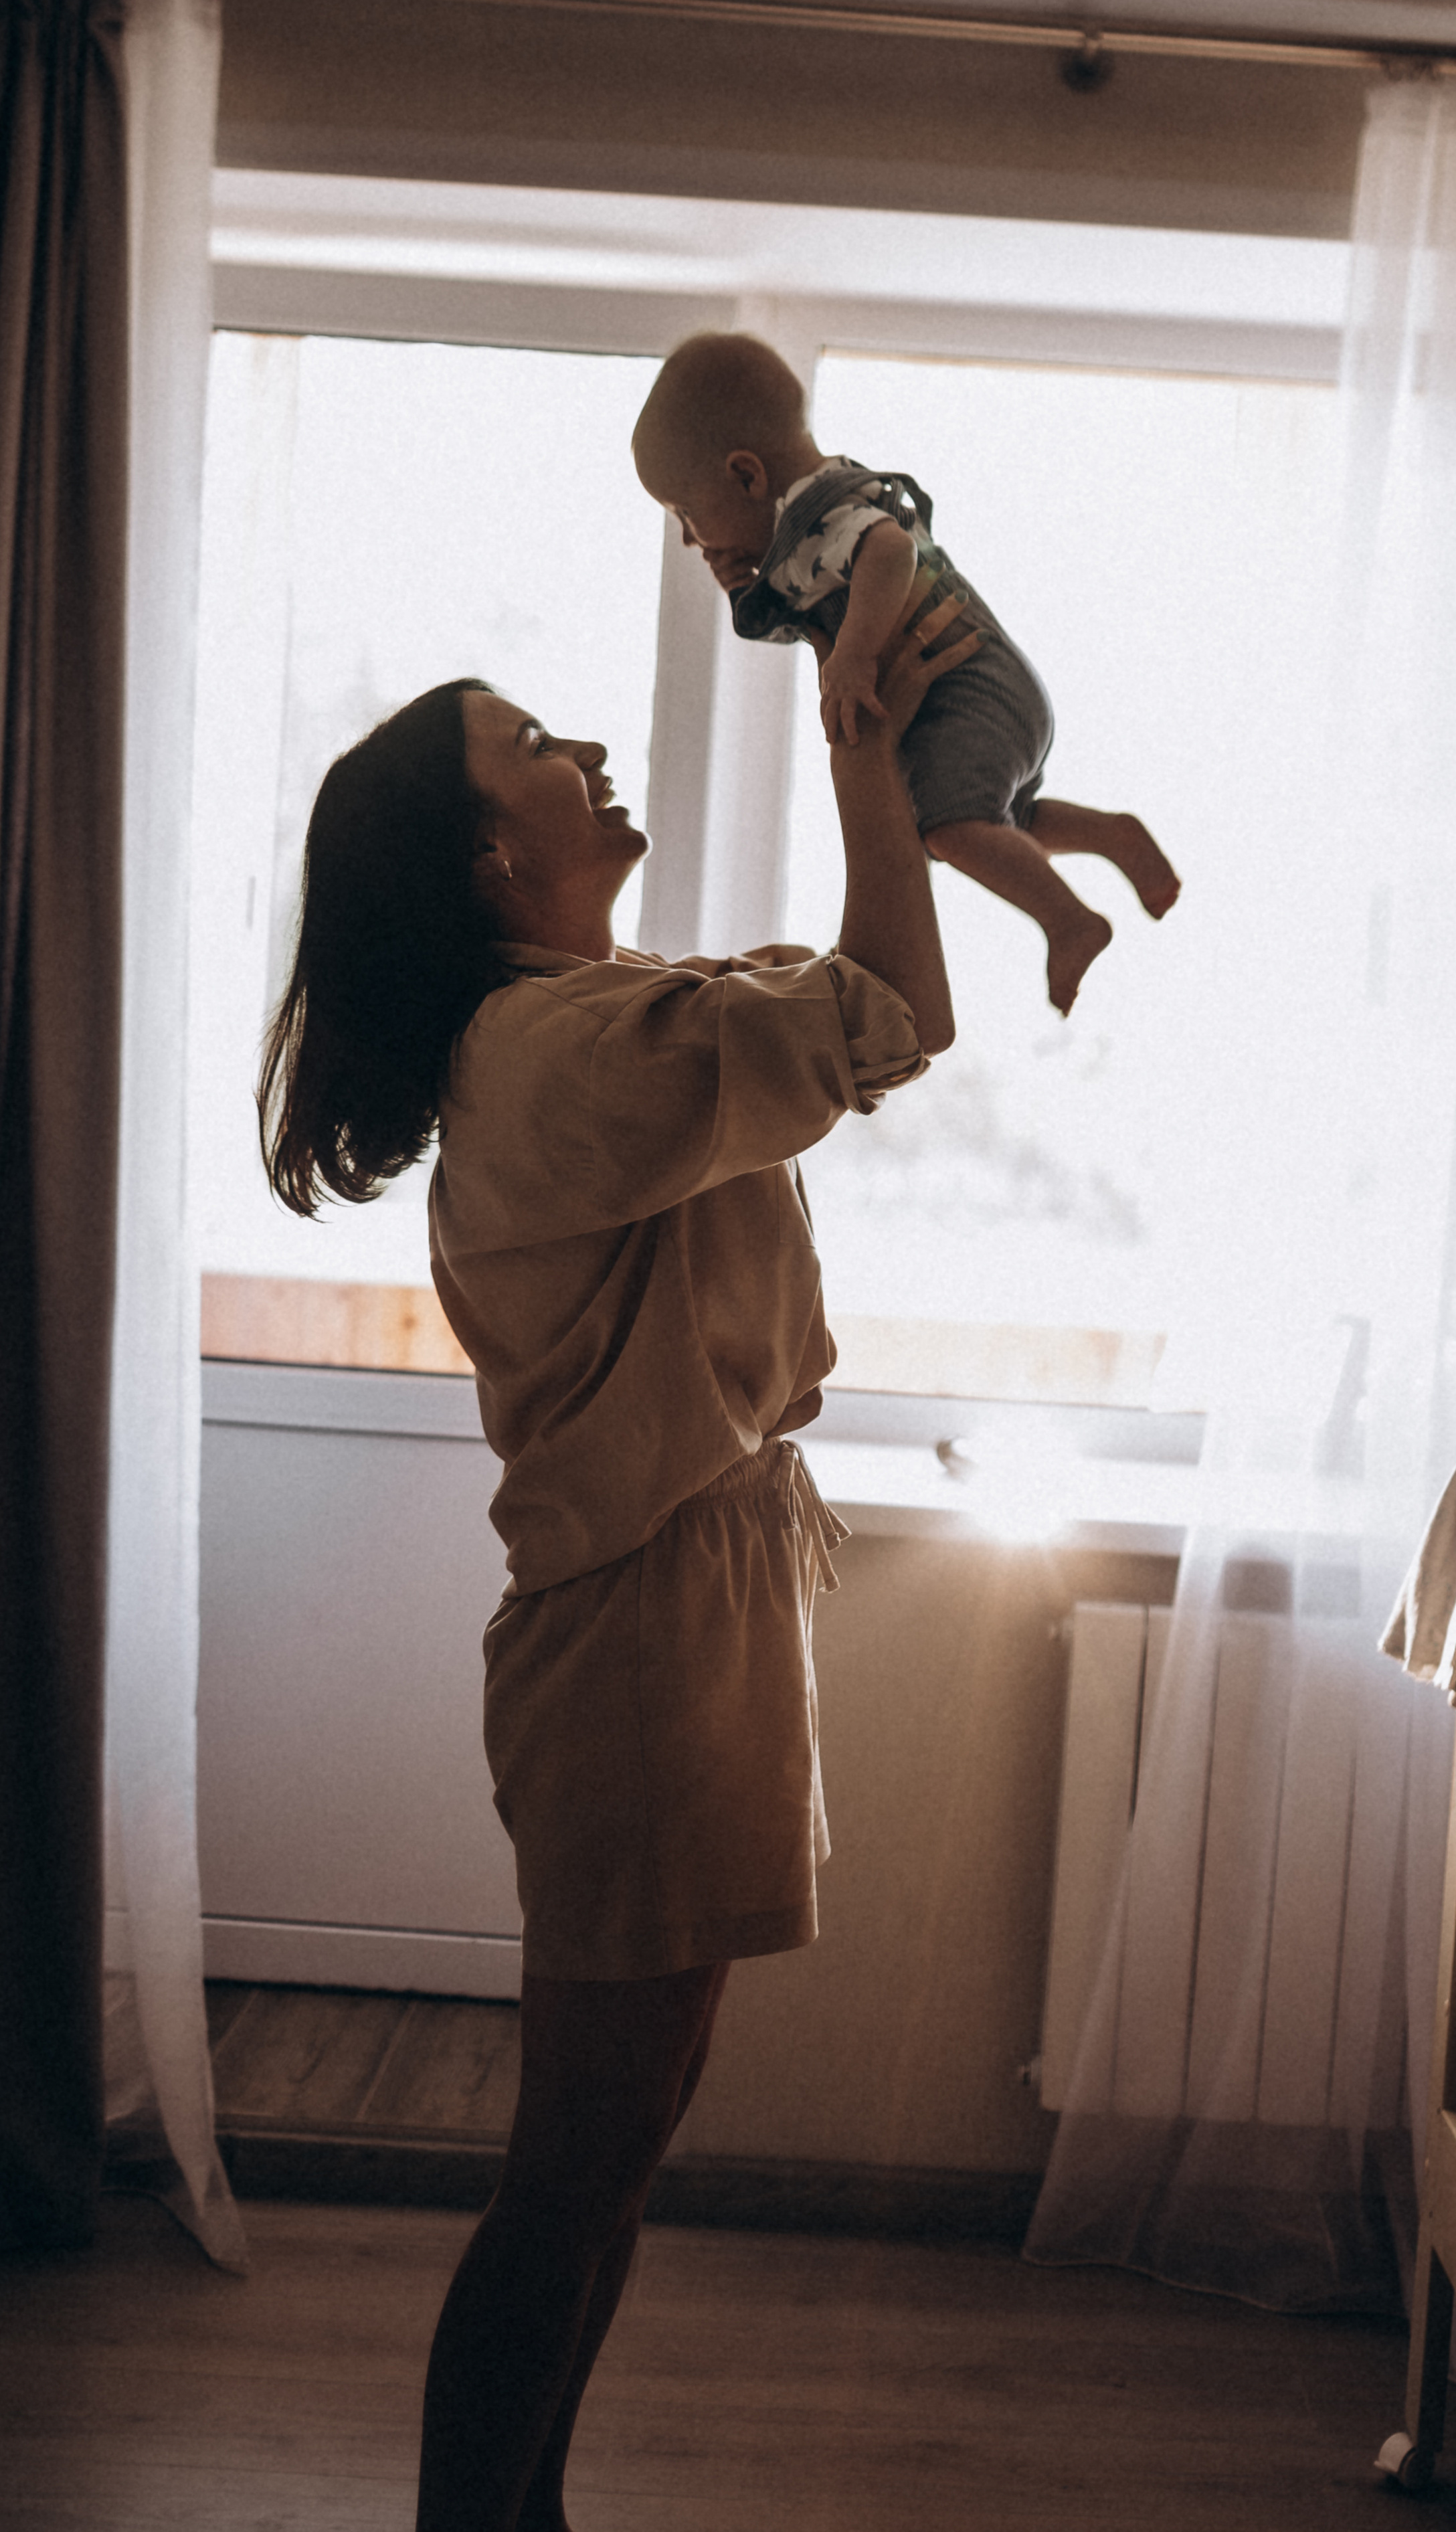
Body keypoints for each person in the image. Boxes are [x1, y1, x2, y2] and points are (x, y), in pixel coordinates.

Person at [256, 586, 971, 2532]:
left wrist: (892, 789)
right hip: (643, 1642)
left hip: (694, 1609)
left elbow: (836, 1008)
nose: (584, 754)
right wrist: (864, 766)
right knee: (571, 2171)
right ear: (496, 850)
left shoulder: (591, 1020)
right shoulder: (560, 1055)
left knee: (620, 2155)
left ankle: (525, 2515)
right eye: (537, 747)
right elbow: (881, 1012)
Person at [632, 329, 1181, 1017]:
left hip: (969, 688)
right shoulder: (808, 532)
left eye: (686, 512)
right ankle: (1111, 835)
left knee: (948, 831)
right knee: (1000, 825)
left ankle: (1068, 920)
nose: (688, 537)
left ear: (746, 475)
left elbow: (889, 552)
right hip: (990, 690)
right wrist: (743, 589)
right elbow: (805, 628)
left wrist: (857, 656)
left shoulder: (820, 511)